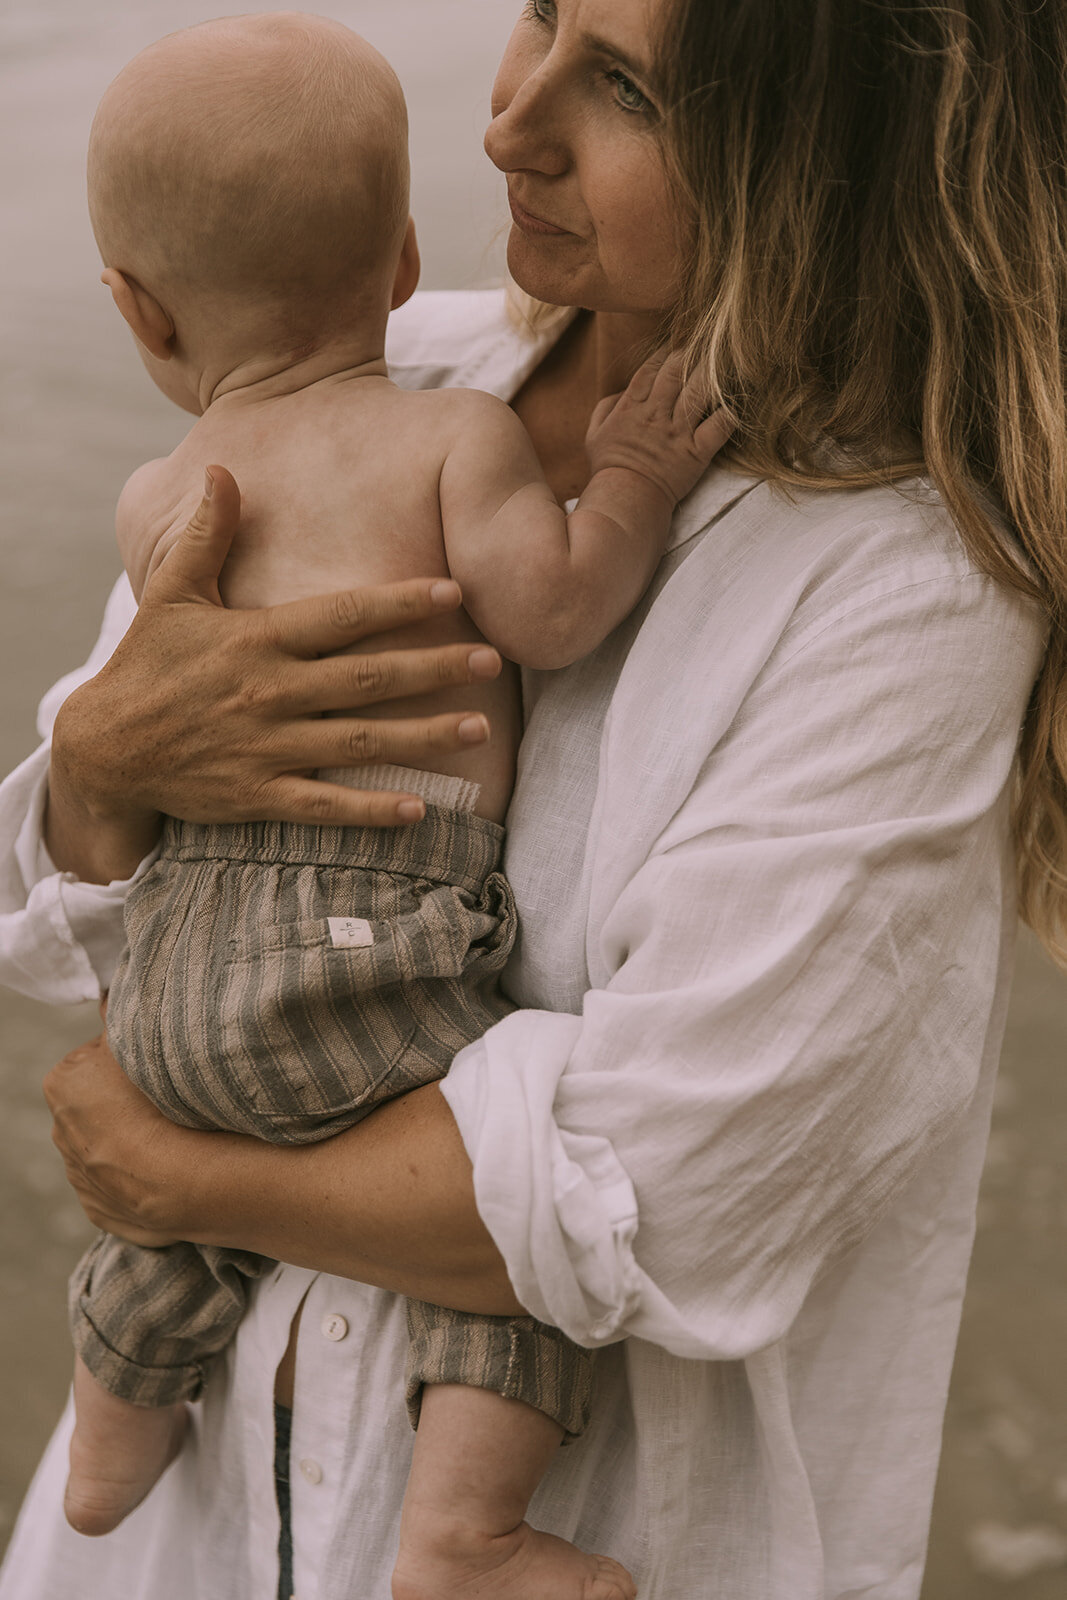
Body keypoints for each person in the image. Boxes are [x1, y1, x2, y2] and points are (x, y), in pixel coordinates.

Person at [0, 0, 1064, 1595]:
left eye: (624, 86)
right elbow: (76, 914)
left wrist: (181, 1181)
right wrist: (102, 766)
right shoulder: (395, 372)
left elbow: (662, 1196)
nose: (510, 122)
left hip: (603, 1537)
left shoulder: (896, 591)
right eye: (545, 13)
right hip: (193, 1539)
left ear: (823, 169)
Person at [56, 13, 726, 1599]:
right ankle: (460, 1537)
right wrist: (628, 481)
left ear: (137, 311)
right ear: (407, 250)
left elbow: (129, 775)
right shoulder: (450, 428)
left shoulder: (168, 494)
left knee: (171, 1222)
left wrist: (106, 758)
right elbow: (554, 614)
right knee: (504, 1156)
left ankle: (104, 1444)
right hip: (356, 955)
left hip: (171, 977)